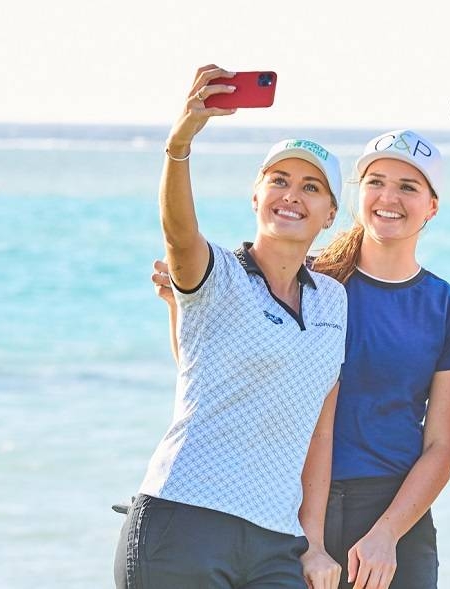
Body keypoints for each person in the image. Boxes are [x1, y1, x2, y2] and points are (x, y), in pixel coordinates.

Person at [153, 129, 450, 588]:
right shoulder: (312, 287)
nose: (389, 197)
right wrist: (181, 306)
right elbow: (216, 368)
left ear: (432, 206)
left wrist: (387, 533)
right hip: (292, 511)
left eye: (408, 187)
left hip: (395, 517)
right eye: (376, 182)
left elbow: (441, 448)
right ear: (353, 196)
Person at [115, 64, 347, 589]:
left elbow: (320, 430)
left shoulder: (335, 302)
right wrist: (180, 144)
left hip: (275, 542)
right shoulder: (214, 272)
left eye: (311, 187)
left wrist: (313, 543)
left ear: (330, 213)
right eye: (279, 180)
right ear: (256, 195)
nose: (292, 194)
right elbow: (179, 234)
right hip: (183, 522)